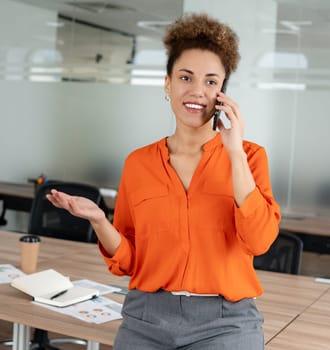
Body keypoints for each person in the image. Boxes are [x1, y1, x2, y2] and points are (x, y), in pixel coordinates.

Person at [46, 12, 281, 349]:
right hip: (146, 317)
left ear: (222, 93)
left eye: (211, 81)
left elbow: (259, 241)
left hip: (225, 322)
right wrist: (98, 219)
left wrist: (234, 154)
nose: (197, 91)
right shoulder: (139, 163)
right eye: (186, 77)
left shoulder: (249, 157)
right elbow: (129, 260)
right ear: (168, 83)